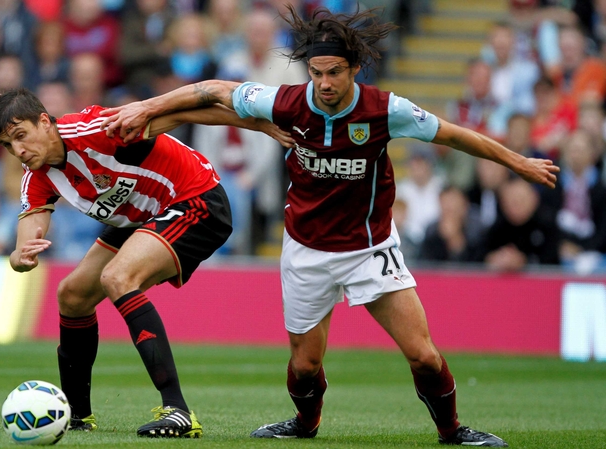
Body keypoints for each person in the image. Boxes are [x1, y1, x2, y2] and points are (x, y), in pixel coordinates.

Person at [99, 6, 560, 446]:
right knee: (304, 366)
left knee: (422, 353)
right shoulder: (286, 101)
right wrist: (148, 109)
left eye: (334, 72)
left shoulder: (386, 109)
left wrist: (518, 162)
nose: (323, 83)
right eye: (316, 72)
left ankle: (452, 430)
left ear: (354, 68)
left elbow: (454, 134)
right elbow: (214, 91)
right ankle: (305, 424)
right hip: (306, 249)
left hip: (369, 248)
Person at [0, 87, 289, 438]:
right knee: (72, 294)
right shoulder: (36, 176)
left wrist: (257, 124)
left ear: (44, 121)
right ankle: (77, 416)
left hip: (195, 198)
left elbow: (181, 114)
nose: (18, 150)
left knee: (118, 276)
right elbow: (24, 245)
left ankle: (177, 411)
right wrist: (18, 258)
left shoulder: (98, 130)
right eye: (8, 145)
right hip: (142, 217)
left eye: (21, 136)